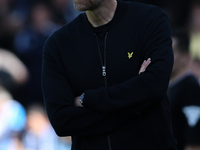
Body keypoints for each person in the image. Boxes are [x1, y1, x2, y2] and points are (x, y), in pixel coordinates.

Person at [42, 0, 177, 149]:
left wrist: (87, 98)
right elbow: (62, 121)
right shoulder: (58, 44)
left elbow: (155, 86)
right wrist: (134, 105)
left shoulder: (149, 19)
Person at [167, 29, 200, 150]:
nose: (166, 56)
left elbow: (194, 142)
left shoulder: (190, 88)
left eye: (172, 51)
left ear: (185, 56)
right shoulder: (165, 87)